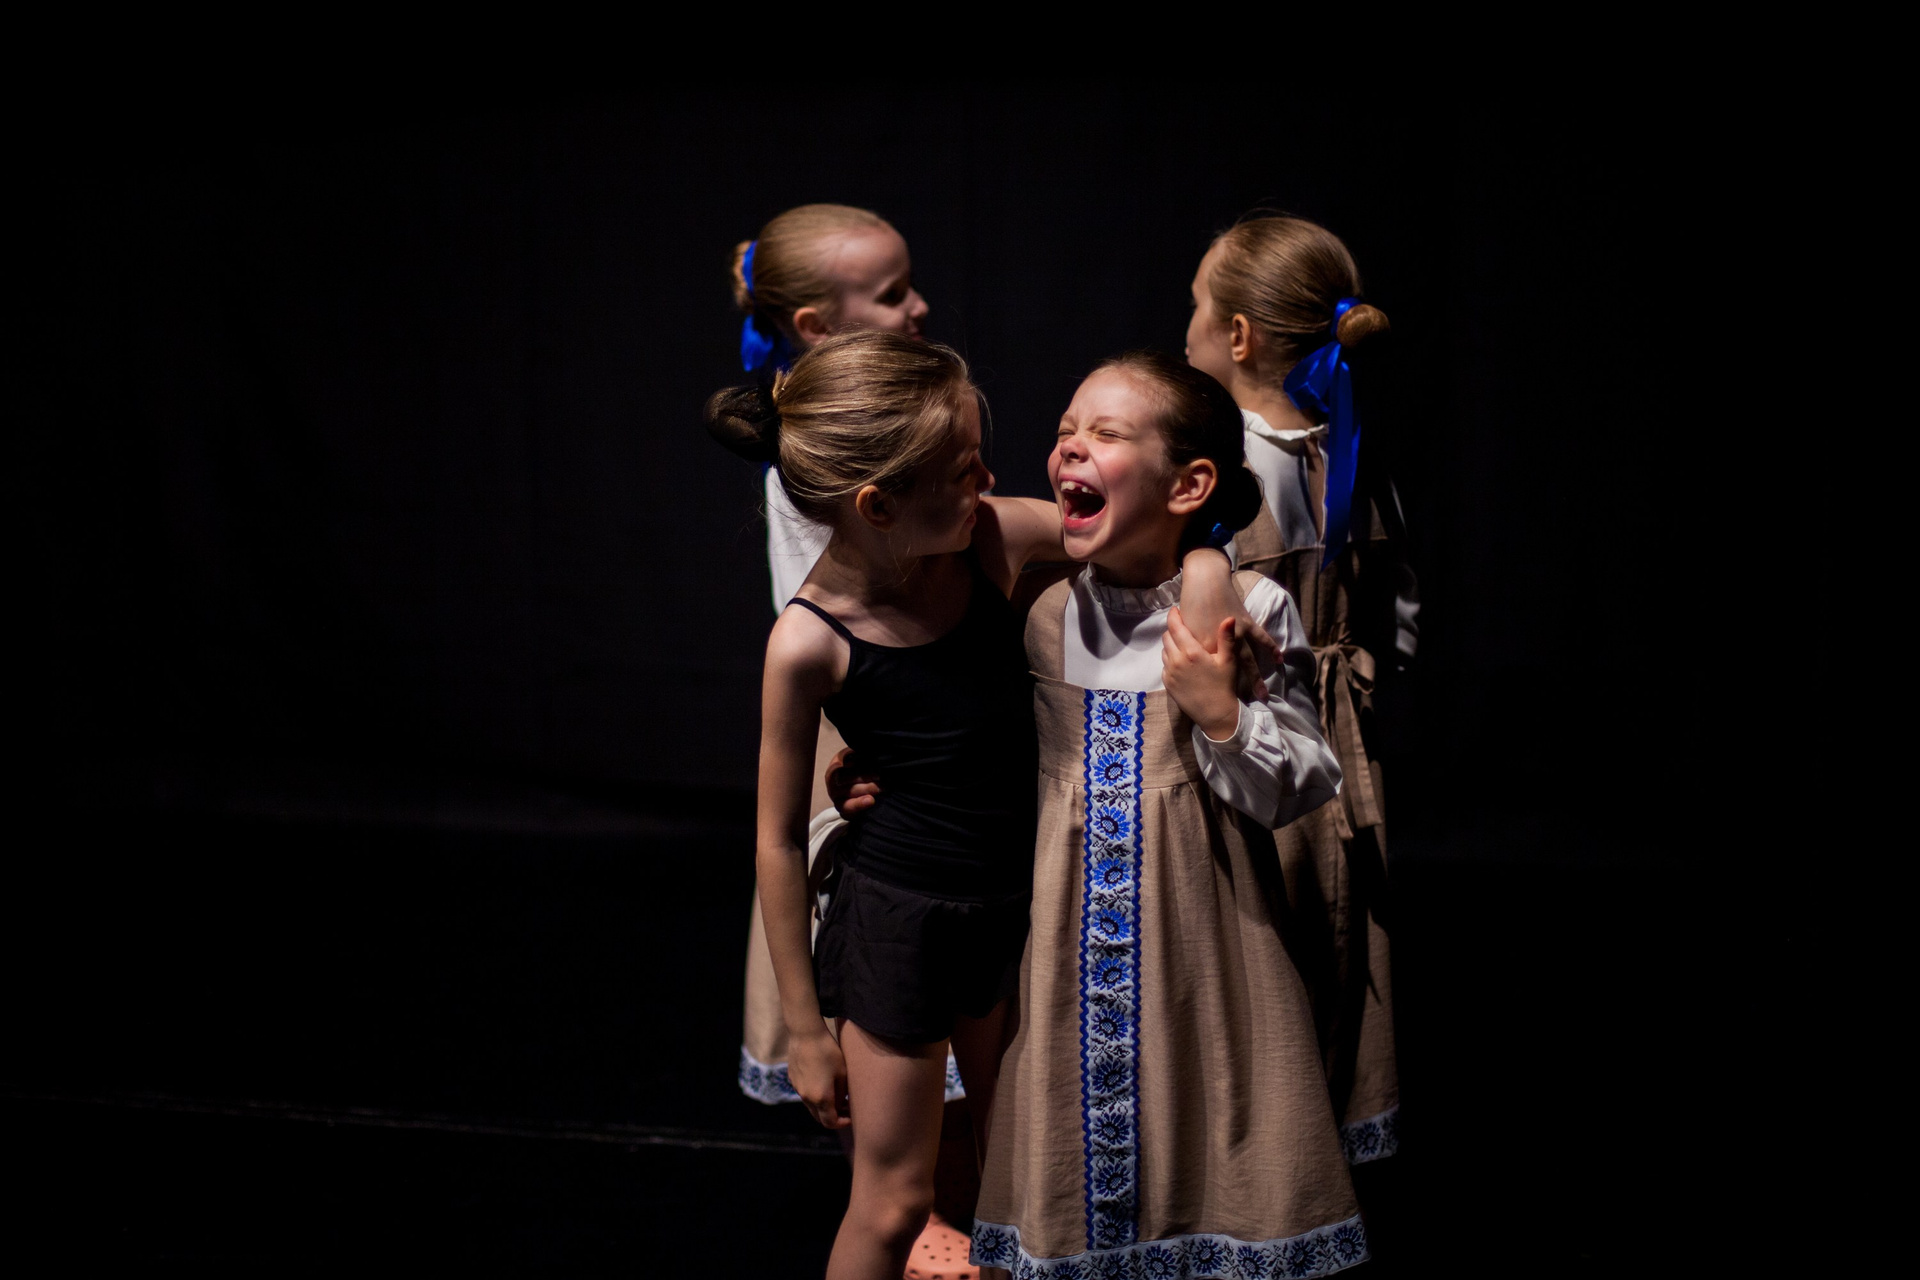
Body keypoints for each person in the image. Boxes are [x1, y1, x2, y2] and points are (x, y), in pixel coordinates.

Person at [971, 354, 1368, 1278]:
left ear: (1189, 485)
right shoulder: (1044, 617)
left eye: (1106, 434)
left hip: (1210, 946)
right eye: (1066, 431)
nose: (1071, 447)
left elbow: (1303, 783)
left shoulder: (1248, 610)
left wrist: (1220, 712)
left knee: (1209, 1144)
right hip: (1066, 958)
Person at [1184, 215, 1416, 1167]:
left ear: (1237, 335)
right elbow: (1401, 608)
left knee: (1257, 940)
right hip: (1339, 729)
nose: (1186, 330)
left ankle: (1259, 1161)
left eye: (1196, 307)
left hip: (1251, 734)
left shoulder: (1225, 466)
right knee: (1330, 924)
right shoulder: (1347, 442)